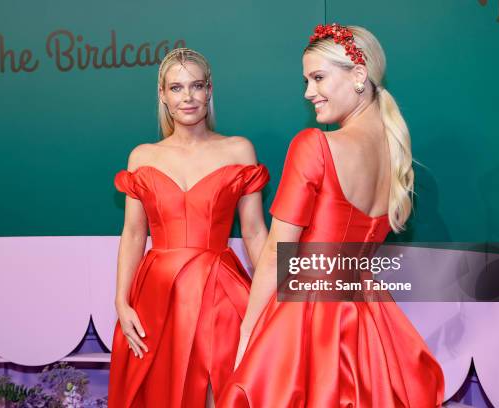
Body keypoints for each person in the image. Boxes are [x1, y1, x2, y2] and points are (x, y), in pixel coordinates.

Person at [219, 24, 445, 407]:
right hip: (368, 318)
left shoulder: (315, 146)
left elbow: (277, 253)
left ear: (358, 76)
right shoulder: (395, 156)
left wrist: (247, 332)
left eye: (318, 77)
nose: (309, 93)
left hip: (307, 316)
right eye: (307, 80)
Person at [107, 48, 270, 408]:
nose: (188, 97)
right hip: (157, 294)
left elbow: (256, 232)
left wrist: (276, 294)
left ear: (209, 90)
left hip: (221, 290)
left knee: (223, 390)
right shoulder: (143, 156)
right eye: (177, 88)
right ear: (163, 96)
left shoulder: (239, 150)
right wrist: (121, 300)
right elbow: (134, 233)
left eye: (196, 86)